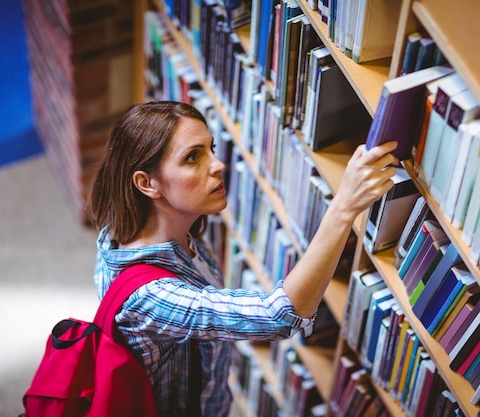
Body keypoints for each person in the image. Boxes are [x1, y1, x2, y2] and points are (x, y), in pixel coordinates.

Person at [88, 100, 399, 416]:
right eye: (192, 157)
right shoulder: (151, 298)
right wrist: (344, 207)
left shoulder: (128, 231)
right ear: (146, 183)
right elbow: (280, 315)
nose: (218, 164)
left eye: (211, 148)